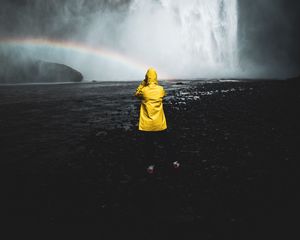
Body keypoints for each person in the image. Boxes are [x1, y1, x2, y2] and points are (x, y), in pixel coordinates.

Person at [135, 67, 180, 174]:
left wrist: (143, 83)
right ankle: (174, 161)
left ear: (147, 77)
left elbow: (137, 94)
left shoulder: (144, 91)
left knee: (149, 145)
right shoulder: (160, 89)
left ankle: (151, 166)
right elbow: (163, 96)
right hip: (159, 123)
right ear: (156, 77)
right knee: (167, 143)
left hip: (147, 125)